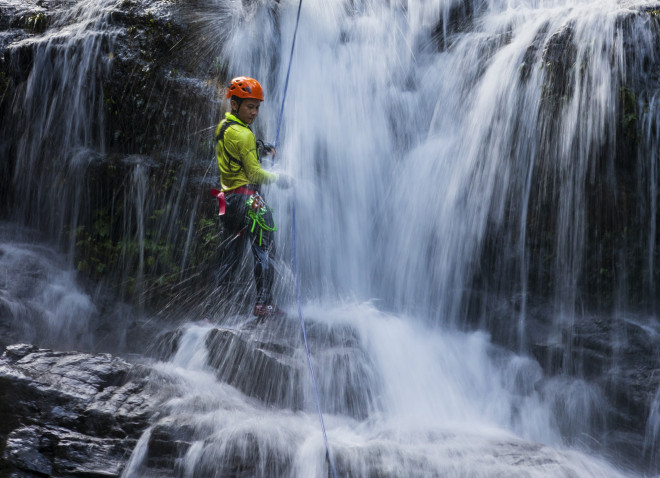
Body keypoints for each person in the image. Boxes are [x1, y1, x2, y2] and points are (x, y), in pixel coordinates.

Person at [214, 76, 290, 317]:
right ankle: (263, 304)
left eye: (257, 106)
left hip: (226, 201)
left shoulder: (223, 128)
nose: (255, 112)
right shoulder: (244, 135)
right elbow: (254, 172)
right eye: (250, 106)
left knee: (231, 255)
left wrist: (261, 148)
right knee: (265, 250)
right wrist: (282, 179)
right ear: (234, 104)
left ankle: (216, 308)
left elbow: (237, 151)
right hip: (249, 200)